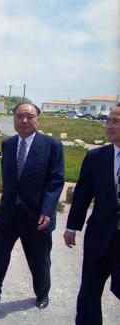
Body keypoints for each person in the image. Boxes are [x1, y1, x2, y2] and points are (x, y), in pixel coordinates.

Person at [0, 103, 65, 318]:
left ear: (38, 119)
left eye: (29, 116)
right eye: (20, 116)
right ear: (14, 119)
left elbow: (56, 181)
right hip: (9, 213)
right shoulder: (7, 144)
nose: (24, 120)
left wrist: (47, 209)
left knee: (39, 259)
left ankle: (42, 292)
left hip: (38, 216)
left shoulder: (52, 145)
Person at [64, 104, 120, 324]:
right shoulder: (96, 157)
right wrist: (71, 227)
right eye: (109, 120)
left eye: (116, 121)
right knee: (88, 292)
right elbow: (83, 194)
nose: (109, 126)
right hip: (99, 236)